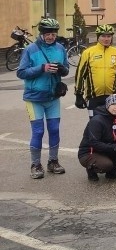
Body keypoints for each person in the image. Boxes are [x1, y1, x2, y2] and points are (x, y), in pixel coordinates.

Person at [17, 17, 70, 179]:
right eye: (48, 33)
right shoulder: (31, 49)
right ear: (42, 33)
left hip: (53, 97)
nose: (51, 36)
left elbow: (66, 69)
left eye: (53, 33)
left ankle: (53, 161)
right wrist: (42, 68)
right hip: (34, 98)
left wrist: (61, 69)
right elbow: (21, 72)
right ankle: (36, 164)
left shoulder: (60, 48)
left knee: (54, 129)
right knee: (38, 131)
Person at [74, 24, 116, 115]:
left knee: (112, 126)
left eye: (109, 36)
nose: (106, 39)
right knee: (95, 126)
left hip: (112, 97)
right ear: (98, 37)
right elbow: (80, 75)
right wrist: (78, 95)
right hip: (93, 97)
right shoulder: (88, 53)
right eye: (103, 36)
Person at [78, 93, 116, 181]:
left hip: (107, 148)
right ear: (107, 105)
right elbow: (94, 143)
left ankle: (111, 172)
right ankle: (91, 169)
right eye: (113, 104)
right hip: (89, 152)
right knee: (106, 165)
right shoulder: (97, 120)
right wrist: (114, 147)